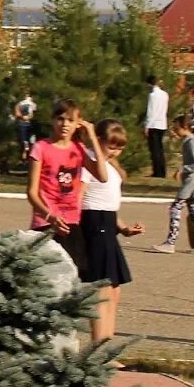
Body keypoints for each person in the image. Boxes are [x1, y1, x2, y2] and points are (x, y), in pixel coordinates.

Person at [77, 118, 145, 343]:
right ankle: (98, 346)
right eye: (111, 146)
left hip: (108, 223)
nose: (115, 151)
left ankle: (108, 343)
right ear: (99, 141)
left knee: (114, 290)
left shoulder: (109, 166)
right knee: (101, 290)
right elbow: (81, 196)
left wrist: (124, 228)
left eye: (119, 147)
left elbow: (109, 204)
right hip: (94, 224)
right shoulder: (91, 161)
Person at [27, 99, 98, 270]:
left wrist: (92, 137)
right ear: (52, 120)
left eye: (70, 120)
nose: (65, 124)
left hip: (71, 224)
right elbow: (31, 193)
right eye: (60, 119)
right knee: (45, 280)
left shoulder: (79, 149)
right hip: (46, 223)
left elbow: (101, 175)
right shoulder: (40, 148)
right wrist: (50, 216)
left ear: (78, 124)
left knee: (73, 279)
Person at [153, 114, 194, 254]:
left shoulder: (191, 142)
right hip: (192, 183)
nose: (174, 130)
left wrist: (182, 169)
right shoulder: (189, 140)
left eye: (176, 128)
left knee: (175, 208)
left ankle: (170, 243)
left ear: (185, 127)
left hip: (191, 184)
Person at [144, 74, 170, 178]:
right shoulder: (165, 94)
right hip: (162, 124)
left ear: (149, 84)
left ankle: (157, 172)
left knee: (154, 150)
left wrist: (147, 126)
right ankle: (162, 171)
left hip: (154, 125)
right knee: (160, 149)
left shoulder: (152, 95)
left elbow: (151, 112)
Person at [12, 90, 36, 161]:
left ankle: (29, 158)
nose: (25, 95)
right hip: (22, 125)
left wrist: (30, 116)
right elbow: (17, 113)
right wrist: (23, 117)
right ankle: (24, 158)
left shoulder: (32, 103)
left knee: (32, 142)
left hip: (31, 125)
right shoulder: (19, 103)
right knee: (24, 142)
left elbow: (34, 113)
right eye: (24, 93)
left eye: (27, 93)